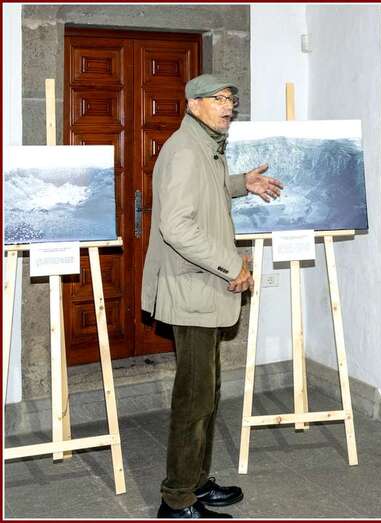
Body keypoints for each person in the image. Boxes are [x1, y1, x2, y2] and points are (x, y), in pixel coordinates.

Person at [141, 74, 284, 518]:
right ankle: (177, 500)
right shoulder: (185, 150)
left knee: (206, 392)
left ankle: (197, 484)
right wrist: (231, 265)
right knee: (194, 398)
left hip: (201, 289)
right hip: (192, 287)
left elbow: (207, 189)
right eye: (219, 99)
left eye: (231, 100)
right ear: (193, 104)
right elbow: (177, 226)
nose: (228, 107)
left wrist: (243, 183)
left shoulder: (205, 147)